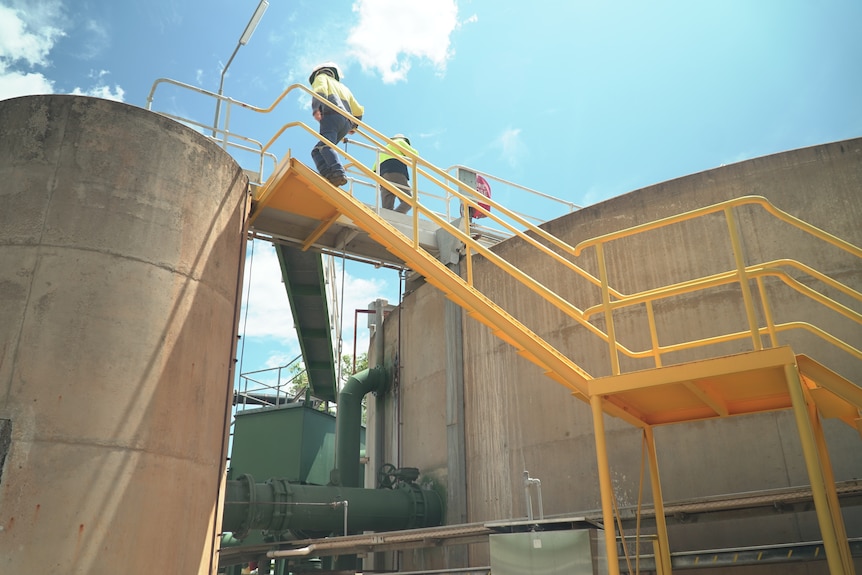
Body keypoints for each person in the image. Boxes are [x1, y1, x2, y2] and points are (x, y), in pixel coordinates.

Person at [308, 62, 364, 187]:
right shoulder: (344, 88)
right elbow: (358, 110)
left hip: (331, 114)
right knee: (317, 151)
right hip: (346, 122)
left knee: (325, 146)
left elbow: (320, 91)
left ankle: (338, 173)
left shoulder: (321, 77)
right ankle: (330, 176)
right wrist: (354, 125)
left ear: (318, 73)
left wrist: (317, 108)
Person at [373, 134, 419, 213]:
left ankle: (387, 218)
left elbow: (374, 169)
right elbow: (414, 155)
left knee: (387, 208)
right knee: (410, 201)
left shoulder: (383, 150)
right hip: (396, 172)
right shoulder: (399, 141)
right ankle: (396, 214)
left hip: (382, 177)